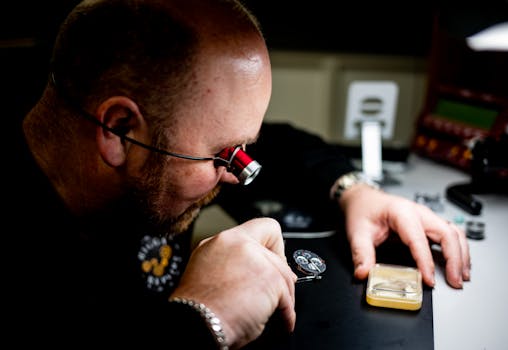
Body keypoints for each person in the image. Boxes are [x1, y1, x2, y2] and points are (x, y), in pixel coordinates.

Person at [9, 0, 470, 348]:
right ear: (120, 131)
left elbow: (287, 146)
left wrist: (356, 192)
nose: (239, 173)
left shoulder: (161, 146)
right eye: (225, 156)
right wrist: (206, 316)